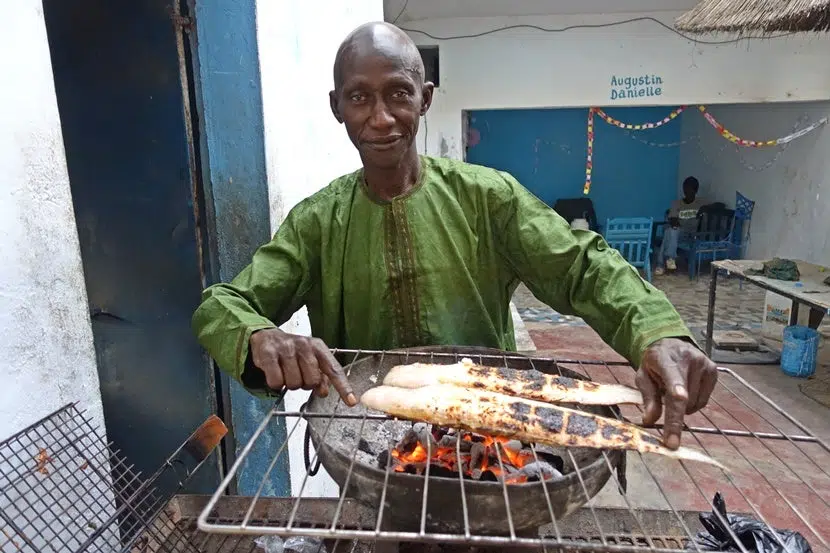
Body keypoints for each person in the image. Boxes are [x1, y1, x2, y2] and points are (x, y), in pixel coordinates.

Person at [192, 22, 718, 450]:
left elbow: (582, 266)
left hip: (492, 433)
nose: (380, 118)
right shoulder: (317, 222)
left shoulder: (488, 198)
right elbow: (220, 306)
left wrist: (656, 331)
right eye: (359, 98)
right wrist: (259, 336)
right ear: (337, 108)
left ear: (424, 99)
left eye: (398, 94)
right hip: (367, 445)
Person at [655, 176, 709, 276]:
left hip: (693, 235)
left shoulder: (701, 203)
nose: (686, 191)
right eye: (685, 188)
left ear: (695, 190)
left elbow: (720, 205)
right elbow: (673, 220)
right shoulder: (677, 203)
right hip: (679, 234)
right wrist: (675, 222)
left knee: (668, 233)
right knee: (671, 231)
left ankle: (661, 265)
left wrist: (704, 208)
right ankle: (670, 258)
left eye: (690, 189)